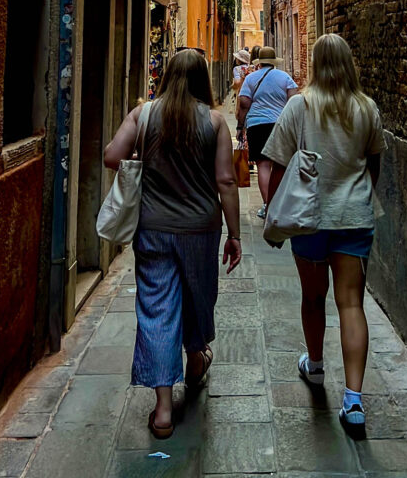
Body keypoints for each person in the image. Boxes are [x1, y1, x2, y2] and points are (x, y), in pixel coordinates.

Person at [103, 50, 241, 439]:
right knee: (198, 296)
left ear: (167, 76)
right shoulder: (215, 122)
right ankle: (195, 359)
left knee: (157, 308)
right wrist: (235, 235)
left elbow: (111, 156)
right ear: (202, 80)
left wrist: (142, 156)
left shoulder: (143, 115)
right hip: (200, 229)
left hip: (153, 228)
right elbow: (226, 182)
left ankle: (163, 411)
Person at [262, 34, 386, 437]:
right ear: (349, 63)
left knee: (313, 298)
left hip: (309, 219)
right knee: (351, 304)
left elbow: (276, 165)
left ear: (315, 64)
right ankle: (353, 401)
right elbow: (374, 165)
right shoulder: (367, 109)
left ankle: (315, 365)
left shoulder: (299, 107)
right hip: (353, 216)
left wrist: (275, 215)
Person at [237, 46, 297, 218]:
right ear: (273, 61)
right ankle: (280, 204)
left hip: (257, 125)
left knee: (263, 165)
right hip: (280, 124)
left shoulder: (250, 79)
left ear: (259, 62)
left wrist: (240, 127)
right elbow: (294, 99)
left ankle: (267, 205)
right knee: (280, 164)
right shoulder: (285, 77)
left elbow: (244, 104)